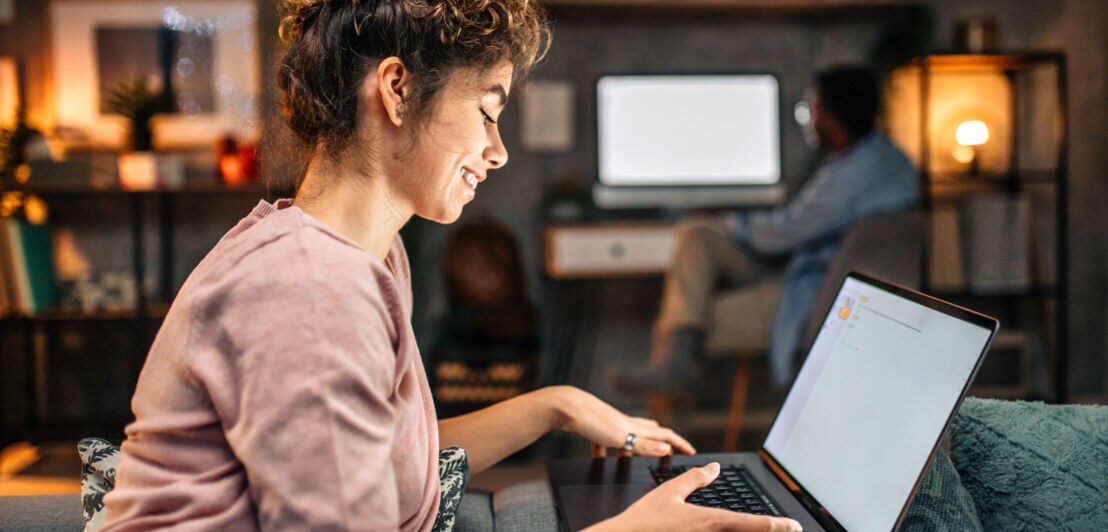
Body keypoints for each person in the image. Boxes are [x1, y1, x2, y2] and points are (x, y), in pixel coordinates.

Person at [101, 1, 803, 531]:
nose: (497, 151)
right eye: (487, 111)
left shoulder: (364, 254)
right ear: (398, 89)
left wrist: (556, 405)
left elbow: (379, 461)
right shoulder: (310, 291)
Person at [612, 67, 918, 394]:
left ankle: (667, 400)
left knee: (681, 322)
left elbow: (786, 232)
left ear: (830, 114)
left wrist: (733, 222)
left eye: (810, 110)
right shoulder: (883, 159)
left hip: (817, 289)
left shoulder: (853, 176)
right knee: (698, 233)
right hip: (804, 266)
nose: (809, 121)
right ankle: (676, 362)